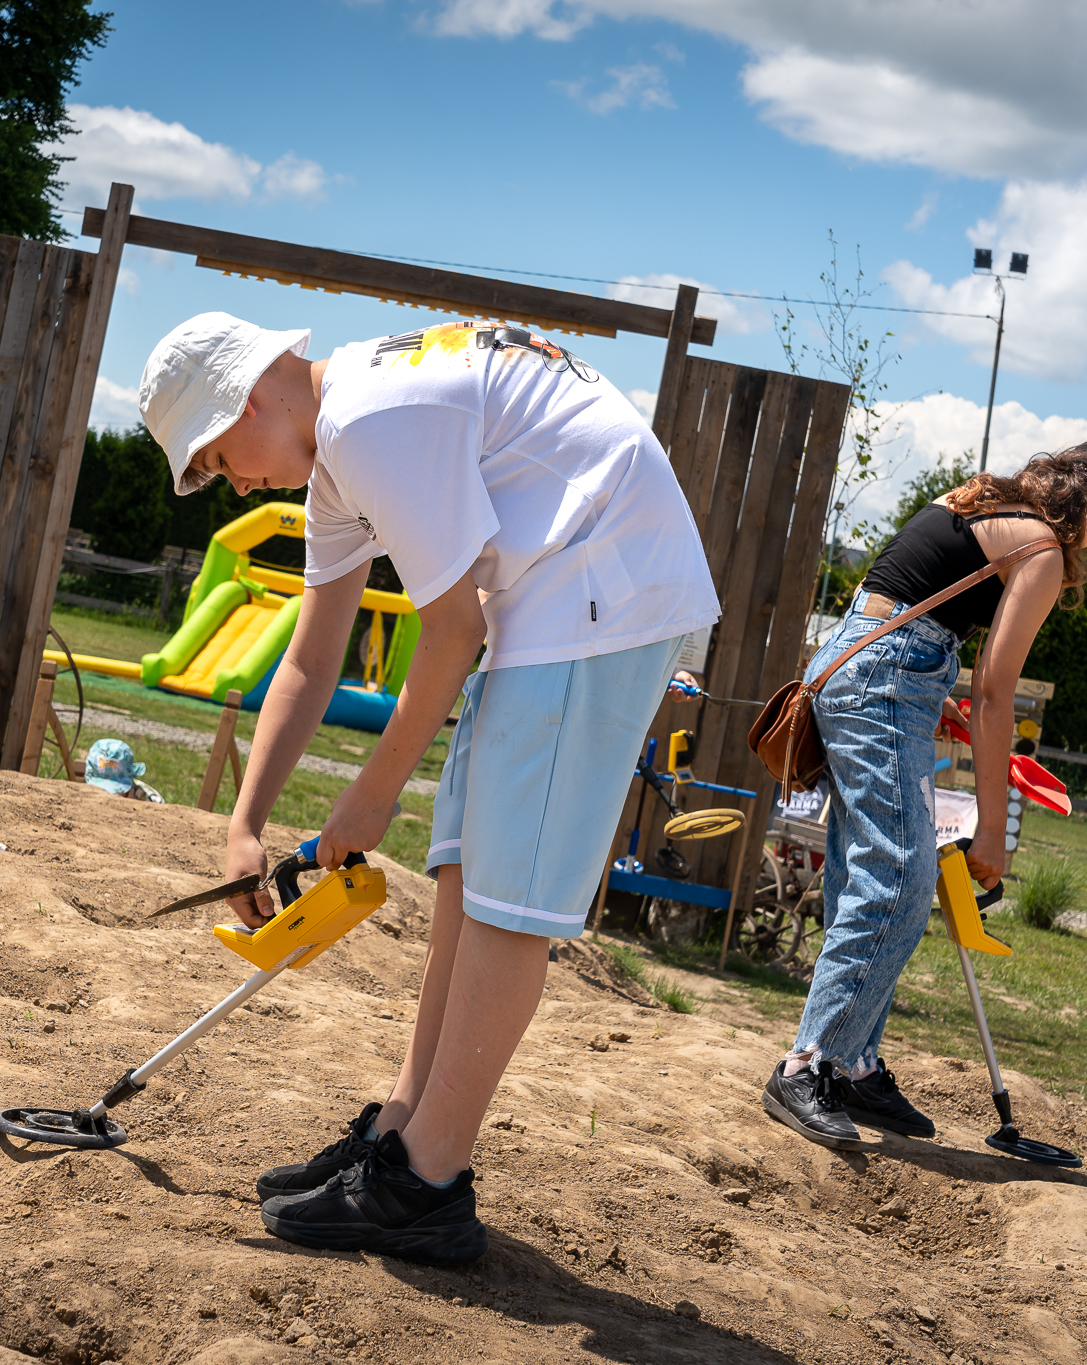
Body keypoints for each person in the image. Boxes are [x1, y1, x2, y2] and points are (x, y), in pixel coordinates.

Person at [137, 313, 719, 1261]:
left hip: (600, 584)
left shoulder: (368, 418)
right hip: (554, 587)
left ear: (246, 399)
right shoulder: (343, 449)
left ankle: (430, 1180)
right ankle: (403, 1132)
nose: (232, 484)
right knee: (466, 871)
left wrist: (371, 795)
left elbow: (452, 630)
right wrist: (246, 822)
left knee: (508, 897)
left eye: (216, 459)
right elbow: (311, 657)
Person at [762, 441, 1087, 1150]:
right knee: (899, 882)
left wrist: (924, 687)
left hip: (852, 661)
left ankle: (853, 1061)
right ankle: (808, 1066)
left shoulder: (983, 499)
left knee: (862, 877)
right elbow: (996, 692)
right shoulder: (1043, 551)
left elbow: (897, 593)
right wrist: (992, 828)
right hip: (886, 680)